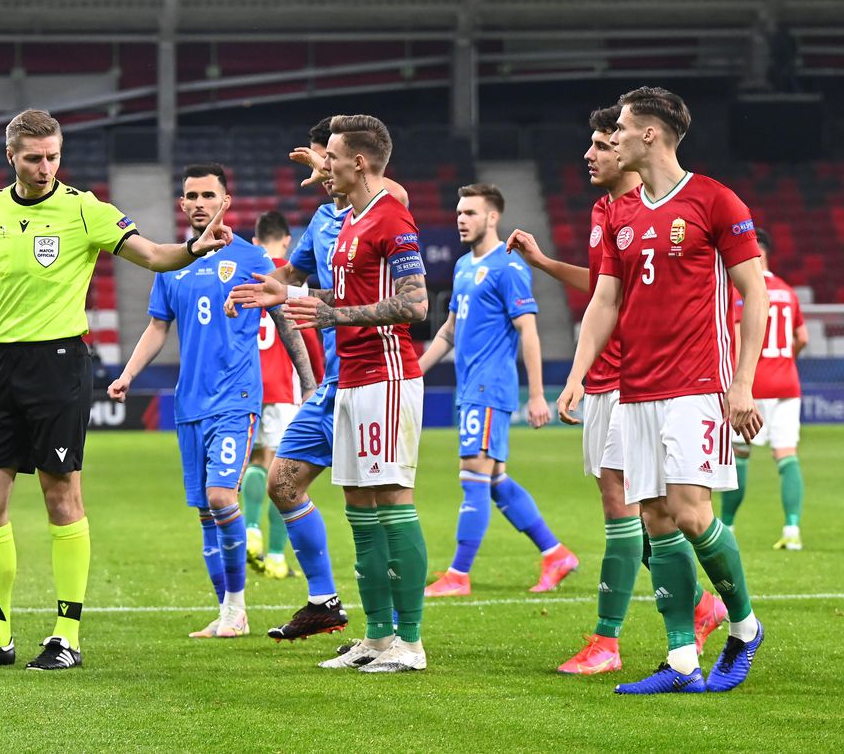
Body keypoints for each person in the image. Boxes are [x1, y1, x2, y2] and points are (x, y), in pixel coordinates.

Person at [0, 109, 234, 671]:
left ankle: (66, 634)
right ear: (11, 157)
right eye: (33, 157)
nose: (45, 167)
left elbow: (151, 255)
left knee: (60, 495)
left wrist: (195, 246)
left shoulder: (84, 208)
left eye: (53, 156)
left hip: (58, 363)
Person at [558, 86, 768, 694]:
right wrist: (577, 375)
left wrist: (743, 383)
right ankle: (680, 660)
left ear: (649, 134)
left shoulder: (714, 200)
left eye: (620, 128)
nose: (612, 138)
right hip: (636, 388)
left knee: (692, 512)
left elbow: (753, 292)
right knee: (654, 518)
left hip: (698, 381)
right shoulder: (622, 215)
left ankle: (745, 627)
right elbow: (605, 300)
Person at [506, 108, 726, 676]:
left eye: (604, 144)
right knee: (638, 509)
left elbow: (630, 296)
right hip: (605, 372)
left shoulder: (657, 208)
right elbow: (606, 286)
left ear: (631, 149)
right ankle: (701, 606)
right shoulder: (607, 210)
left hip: (641, 376)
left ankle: (609, 640)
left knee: (629, 507)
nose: (592, 154)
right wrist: (545, 264)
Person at [241, 114, 430, 672]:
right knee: (359, 508)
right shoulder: (343, 224)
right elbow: (334, 289)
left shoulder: (391, 218)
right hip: (348, 379)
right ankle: (375, 635)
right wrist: (287, 292)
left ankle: (411, 643)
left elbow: (415, 304)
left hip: (388, 376)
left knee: (392, 502)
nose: (325, 163)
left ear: (359, 163)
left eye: (333, 155)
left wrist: (333, 313)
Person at [109, 165, 313, 638]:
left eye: (208, 194)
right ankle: (226, 610)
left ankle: (237, 609)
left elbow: (282, 318)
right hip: (190, 403)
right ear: (182, 204)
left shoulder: (251, 256)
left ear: (226, 201)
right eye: (191, 196)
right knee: (205, 509)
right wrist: (127, 374)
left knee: (223, 496)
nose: (199, 202)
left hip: (236, 398)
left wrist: (307, 381)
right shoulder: (171, 264)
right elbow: (159, 327)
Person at [418, 184, 578, 598]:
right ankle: (555, 553)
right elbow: (449, 331)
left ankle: (458, 574)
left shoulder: (508, 267)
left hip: (491, 386)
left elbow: (529, 331)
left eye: (470, 212)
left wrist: (538, 394)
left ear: (493, 217)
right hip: (470, 386)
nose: (461, 219)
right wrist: (413, 373)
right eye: (458, 212)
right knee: (495, 480)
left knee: (473, 475)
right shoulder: (462, 267)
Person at [240, 209, 324, 580]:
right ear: (288, 240)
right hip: (284, 383)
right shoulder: (290, 278)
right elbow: (304, 329)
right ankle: (275, 557)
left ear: (256, 240)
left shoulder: (249, 272)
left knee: (257, 460)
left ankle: (250, 530)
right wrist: (317, 379)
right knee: (281, 468)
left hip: (247, 384)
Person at [724, 228, 808, 549]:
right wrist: (785, 361)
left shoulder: (741, 291)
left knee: (740, 457)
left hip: (753, 386)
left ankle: (728, 526)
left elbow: (735, 337)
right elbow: (802, 338)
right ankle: (792, 531)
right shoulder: (788, 291)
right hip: (787, 385)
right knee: (787, 457)